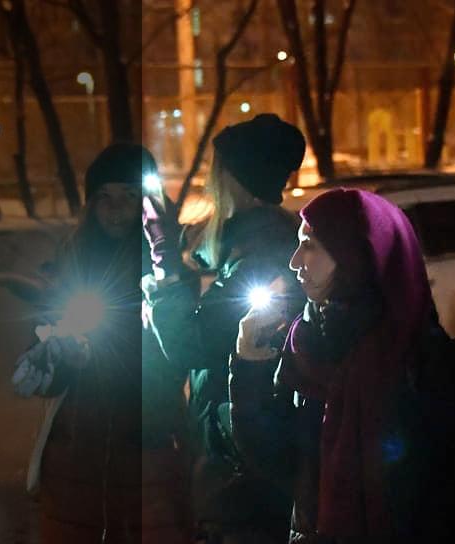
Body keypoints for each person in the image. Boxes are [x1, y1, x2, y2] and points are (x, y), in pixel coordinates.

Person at [228, 188, 455, 543]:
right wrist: (248, 366)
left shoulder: (437, 374)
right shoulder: (306, 349)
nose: (294, 261)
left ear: (355, 257)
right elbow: (276, 459)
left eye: (310, 245)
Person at [143, 113, 306, 543]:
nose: (211, 183)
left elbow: (191, 343)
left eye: (217, 172)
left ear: (236, 178)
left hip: (245, 471)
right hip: (241, 460)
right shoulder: (255, 242)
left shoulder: (260, 254)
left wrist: (165, 272)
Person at [13, 143, 187, 543]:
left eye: (128, 195)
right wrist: (53, 356)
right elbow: (48, 338)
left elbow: (179, 353)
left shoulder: (166, 270)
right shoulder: (71, 262)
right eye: (104, 196)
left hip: (146, 441)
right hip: (77, 447)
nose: (115, 209)